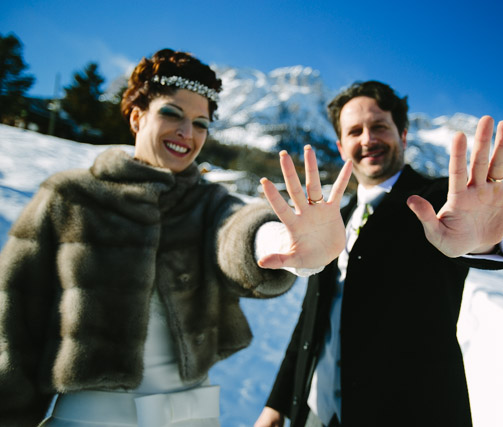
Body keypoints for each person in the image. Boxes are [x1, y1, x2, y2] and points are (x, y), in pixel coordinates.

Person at [0, 48, 352, 426]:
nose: (187, 133)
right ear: (137, 117)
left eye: (201, 123)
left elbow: (236, 231)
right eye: (172, 114)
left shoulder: (209, 202)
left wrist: (281, 242)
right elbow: (14, 333)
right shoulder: (69, 196)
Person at [254, 80, 503, 427]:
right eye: (355, 131)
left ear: (403, 135)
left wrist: (482, 242)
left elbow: (484, 243)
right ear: (340, 146)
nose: (367, 139)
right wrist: (278, 402)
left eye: (379, 127)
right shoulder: (334, 218)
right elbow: (312, 320)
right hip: (316, 411)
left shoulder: (437, 201)